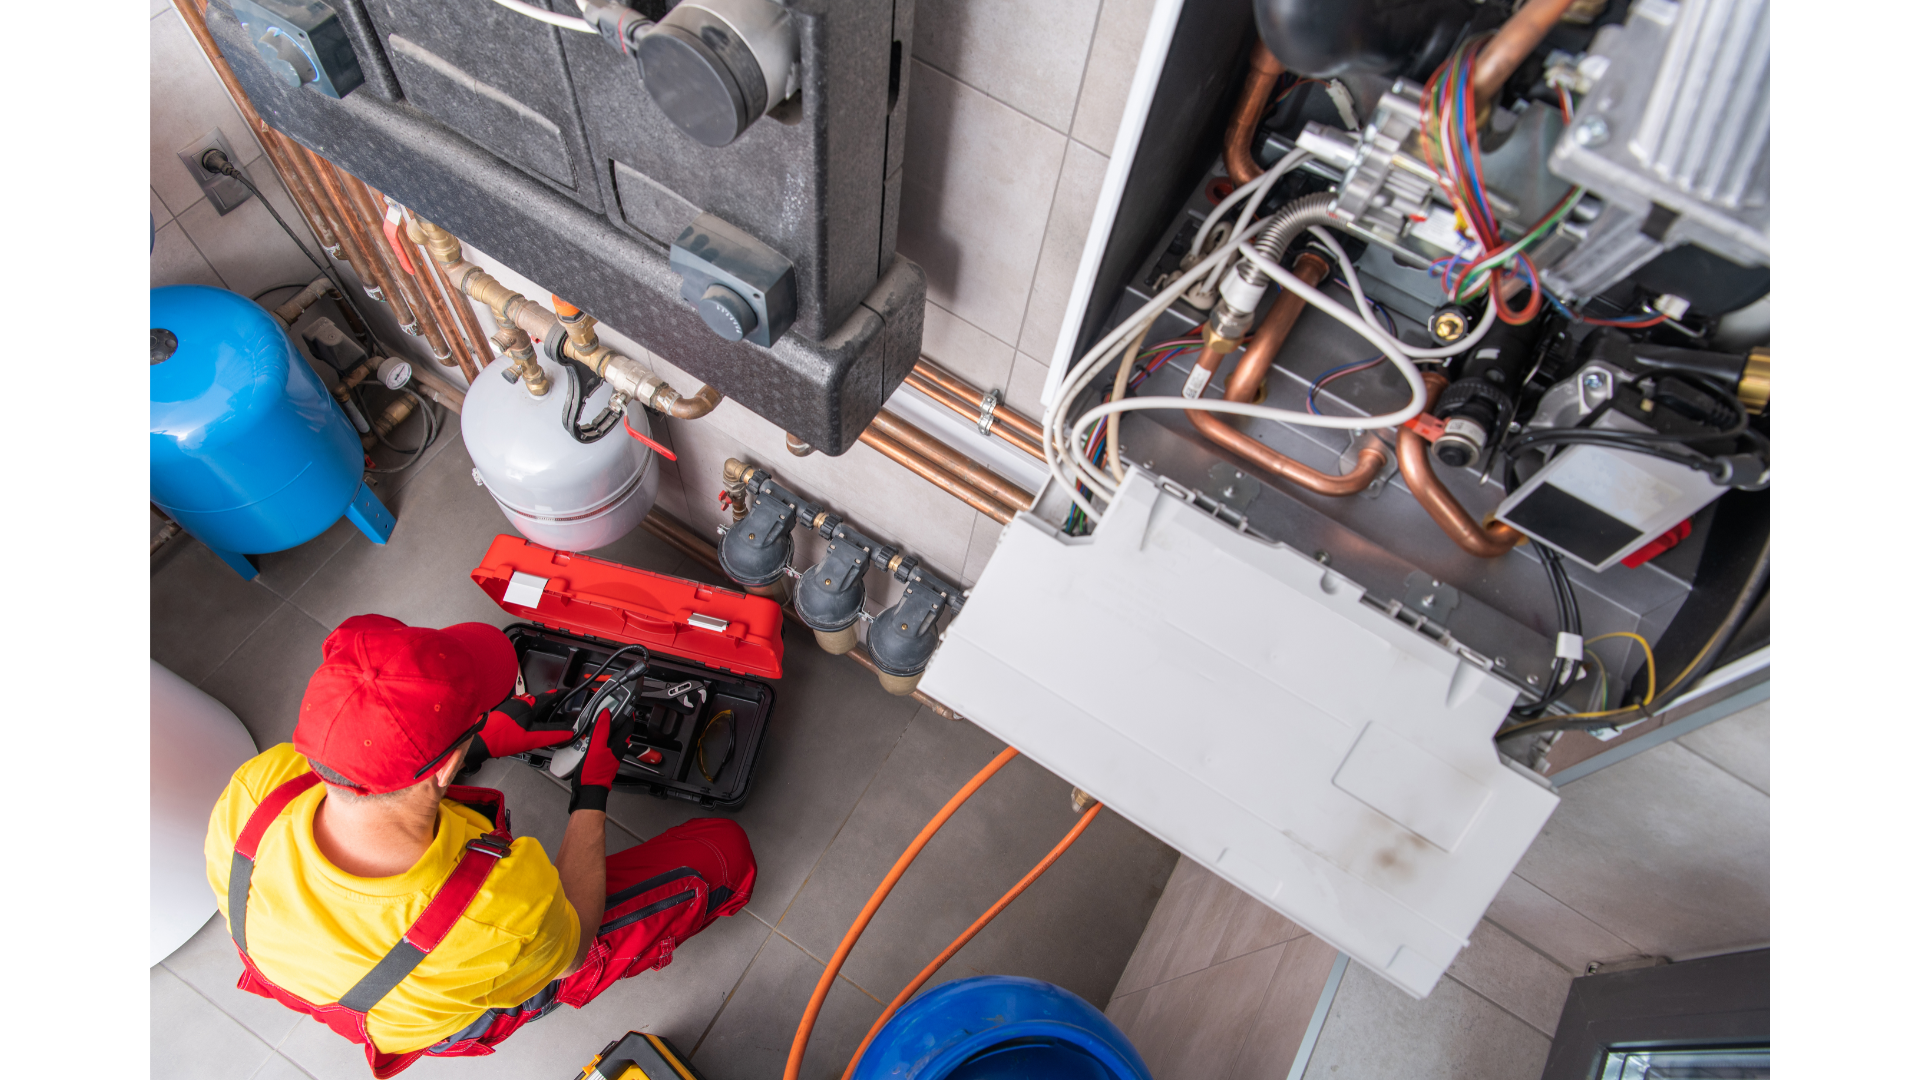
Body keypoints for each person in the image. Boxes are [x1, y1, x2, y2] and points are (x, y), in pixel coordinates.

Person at [204, 614, 756, 1077]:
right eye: (471, 730)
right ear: (442, 767)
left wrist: (474, 745)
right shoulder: (495, 907)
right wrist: (591, 793)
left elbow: (371, 777)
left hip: (322, 977)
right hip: (443, 1013)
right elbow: (573, 942)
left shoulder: (259, 787)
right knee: (724, 853)